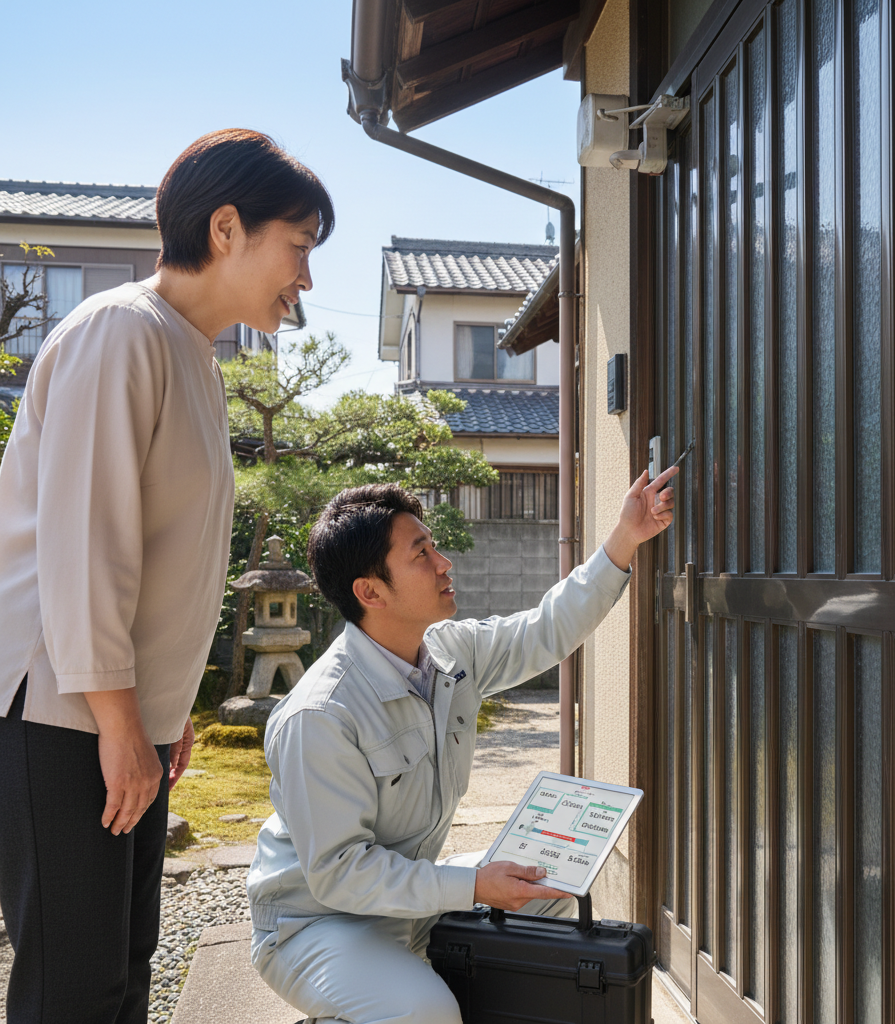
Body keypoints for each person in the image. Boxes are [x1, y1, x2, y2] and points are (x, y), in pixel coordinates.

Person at [0, 128, 333, 1024]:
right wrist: (120, 720)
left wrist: (161, 708)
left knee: (120, 975)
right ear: (226, 228)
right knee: (73, 989)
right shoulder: (119, 331)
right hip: (58, 714)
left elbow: (164, 560)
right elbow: (86, 544)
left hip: (112, 715)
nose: (306, 278)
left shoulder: (192, 354)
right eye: (298, 246)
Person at [247, 467, 677, 1024]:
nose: (444, 563)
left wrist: (626, 536)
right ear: (370, 591)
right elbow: (340, 873)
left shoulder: (449, 653)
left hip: (409, 899)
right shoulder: (320, 715)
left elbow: (544, 628)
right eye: (421, 554)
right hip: (317, 923)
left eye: (433, 547)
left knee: (547, 883)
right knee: (424, 1012)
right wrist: (473, 885)